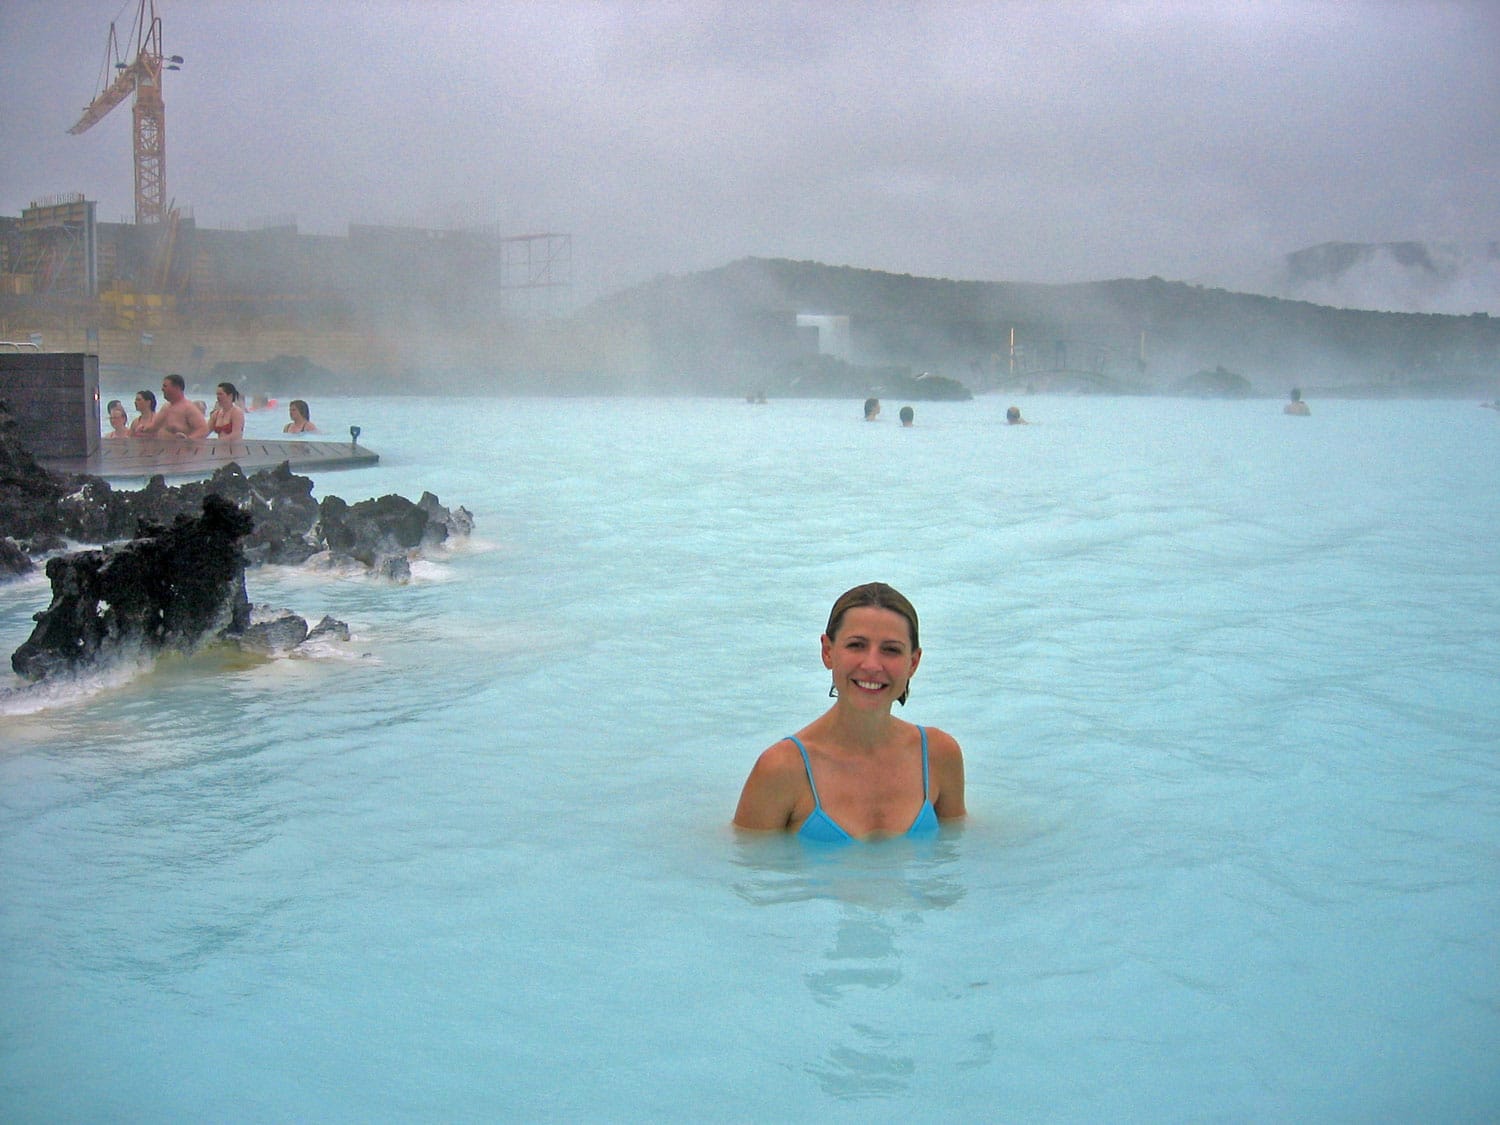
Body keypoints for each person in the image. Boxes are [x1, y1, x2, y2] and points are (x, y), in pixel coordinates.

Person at [733, 582, 966, 841]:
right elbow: (747, 868)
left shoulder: (939, 754)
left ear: (913, 662)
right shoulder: (782, 769)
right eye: (856, 645)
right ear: (827, 651)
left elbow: (955, 851)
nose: (872, 665)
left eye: (891, 650)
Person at [137, 374, 210, 439]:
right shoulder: (166, 408)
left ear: (177, 388)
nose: (162, 389)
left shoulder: (189, 408)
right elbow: (154, 427)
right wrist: (143, 428)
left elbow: (203, 430)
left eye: (165, 386)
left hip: (182, 452)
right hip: (164, 451)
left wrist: (188, 439)